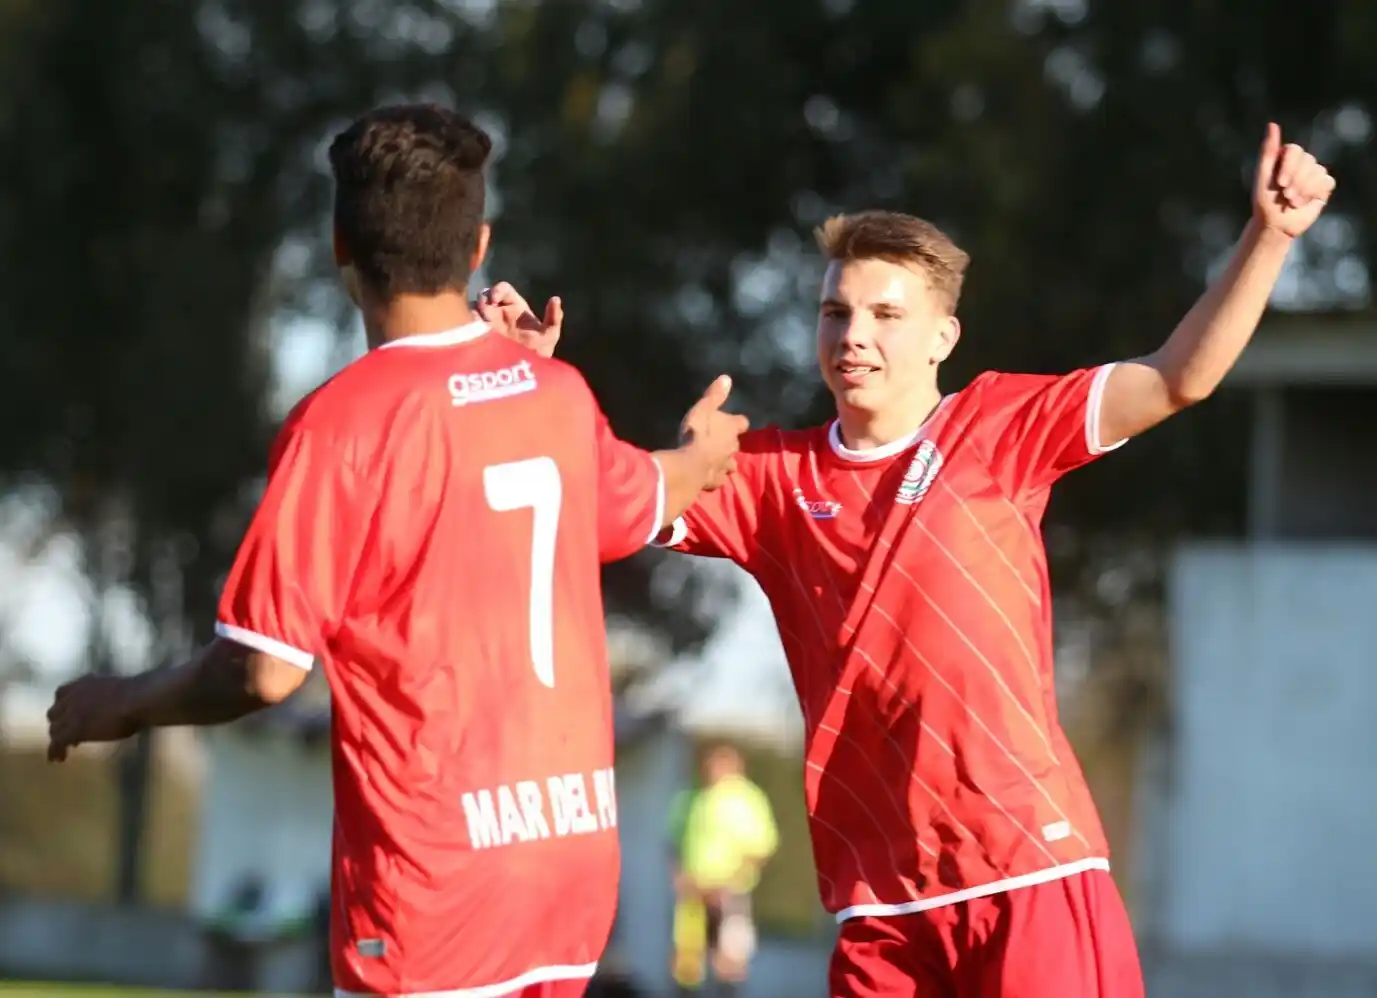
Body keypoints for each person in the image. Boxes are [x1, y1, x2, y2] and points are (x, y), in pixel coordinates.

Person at [477, 123, 1335, 997]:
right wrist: (523, 382)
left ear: (942, 338)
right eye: (836, 313)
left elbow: (1177, 377)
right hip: (879, 909)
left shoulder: (998, 426)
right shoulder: (770, 478)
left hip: (1028, 874)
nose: (854, 335)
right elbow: (606, 493)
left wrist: (1267, 238)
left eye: (886, 316)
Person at [45, 103, 749, 998]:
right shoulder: (557, 392)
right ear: (478, 245)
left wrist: (123, 703)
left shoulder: (339, 425)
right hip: (566, 862)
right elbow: (653, 489)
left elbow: (262, 670)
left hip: (434, 883)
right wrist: (701, 449)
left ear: (340, 245)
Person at [665, 745, 778, 997]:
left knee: (729, 958)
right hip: (693, 892)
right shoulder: (692, 797)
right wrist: (680, 877)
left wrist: (731, 882)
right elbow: (674, 841)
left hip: (730, 893)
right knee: (687, 961)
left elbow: (761, 849)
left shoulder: (748, 799)